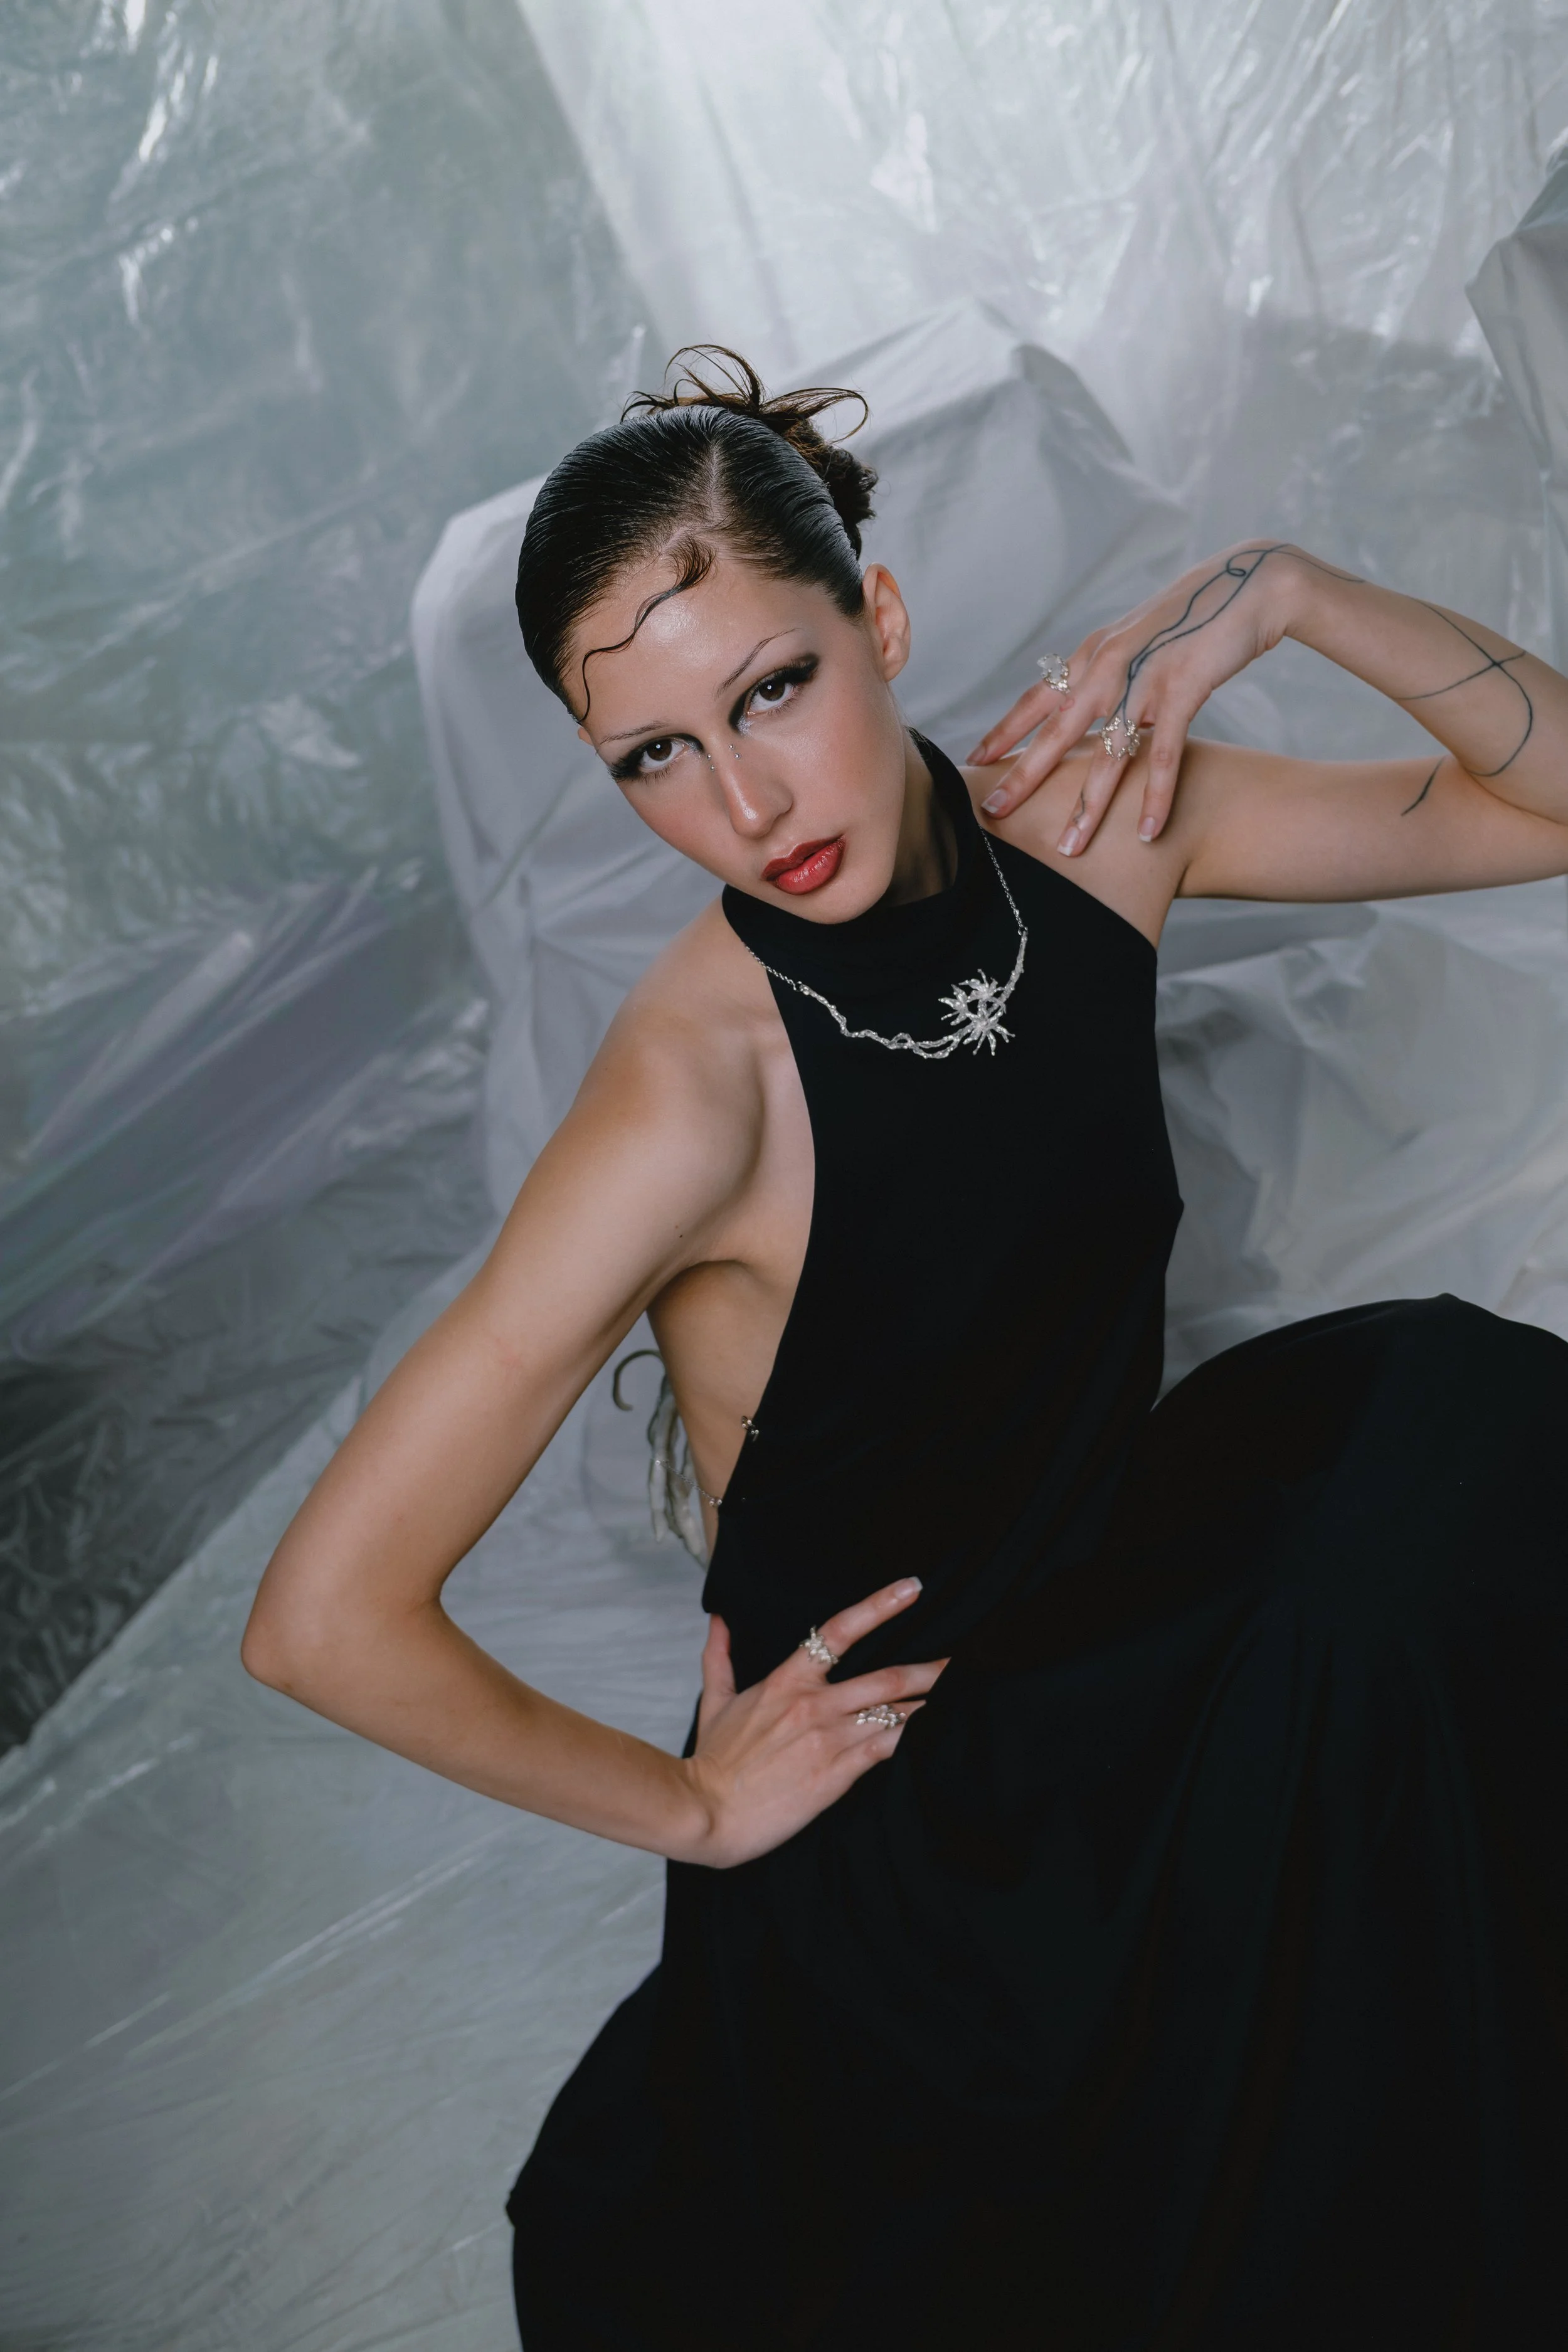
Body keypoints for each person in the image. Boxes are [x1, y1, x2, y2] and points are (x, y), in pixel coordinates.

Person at [243, 350, 1568, 2348]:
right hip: (925, 1814)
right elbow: (321, 1615)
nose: (745, 800)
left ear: (877, 620)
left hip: (1119, 1611)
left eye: (768, 690)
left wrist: (1291, 589)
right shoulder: (691, 1094)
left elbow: (1549, 806)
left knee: (1453, 1446)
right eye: (655, 756)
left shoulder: (1087, 826)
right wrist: (691, 1807)